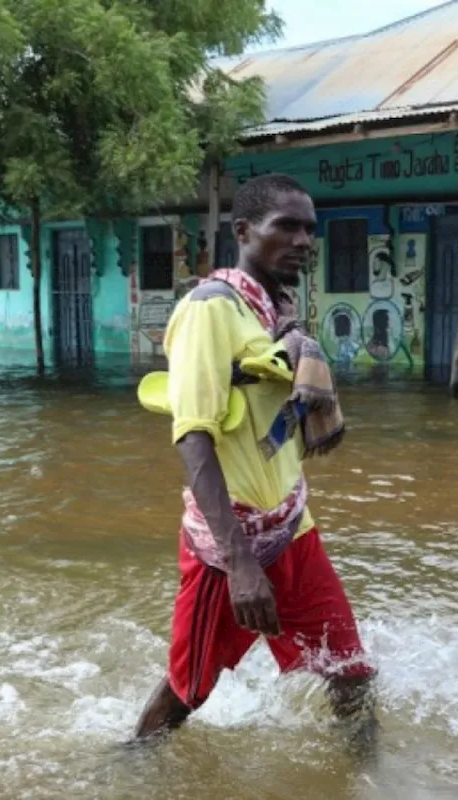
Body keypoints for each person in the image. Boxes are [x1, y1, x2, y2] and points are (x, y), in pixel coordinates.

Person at [132, 173, 377, 750]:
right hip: (229, 548)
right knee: (189, 689)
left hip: (293, 529)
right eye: (286, 226)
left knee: (352, 673)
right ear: (242, 232)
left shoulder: (277, 312)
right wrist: (241, 565)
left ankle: (367, 779)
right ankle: (129, 769)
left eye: (310, 230)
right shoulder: (209, 310)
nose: (303, 240)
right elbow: (192, 436)